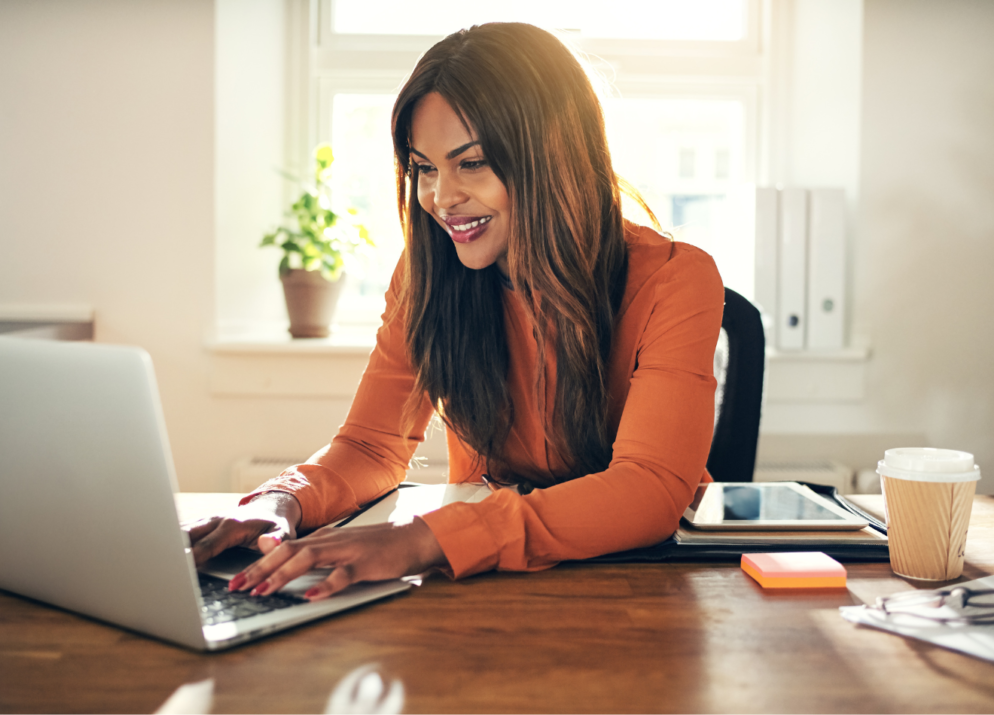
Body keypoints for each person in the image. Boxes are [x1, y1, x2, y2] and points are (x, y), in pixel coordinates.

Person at [183, 22, 724, 601]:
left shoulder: (675, 278)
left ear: (554, 155)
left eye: (471, 163)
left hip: (642, 584)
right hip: (483, 582)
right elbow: (371, 446)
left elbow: (647, 491)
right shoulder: (427, 276)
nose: (441, 198)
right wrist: (280, 500)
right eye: (423, 168)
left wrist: (420, 541)